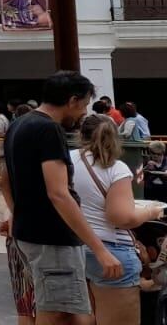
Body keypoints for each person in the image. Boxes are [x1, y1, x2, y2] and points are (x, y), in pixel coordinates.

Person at [3, 71, 119, 324]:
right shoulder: (48, 130)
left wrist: (16, 213)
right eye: (85, 104)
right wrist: (99, 249)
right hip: (53, 237)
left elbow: (6, 178)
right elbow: (58, 193)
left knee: (59, 309)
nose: (83, 113)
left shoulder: (18, 124)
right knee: (58, 311)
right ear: (73, 100)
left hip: (30, 233)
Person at [69, 114, 163, 324]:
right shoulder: (115, 168)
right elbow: (121, 217)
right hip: (112, 251)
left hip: (73, 248)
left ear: (80, 134)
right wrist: (151, 212)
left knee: (84, 317)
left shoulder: (65, 161)